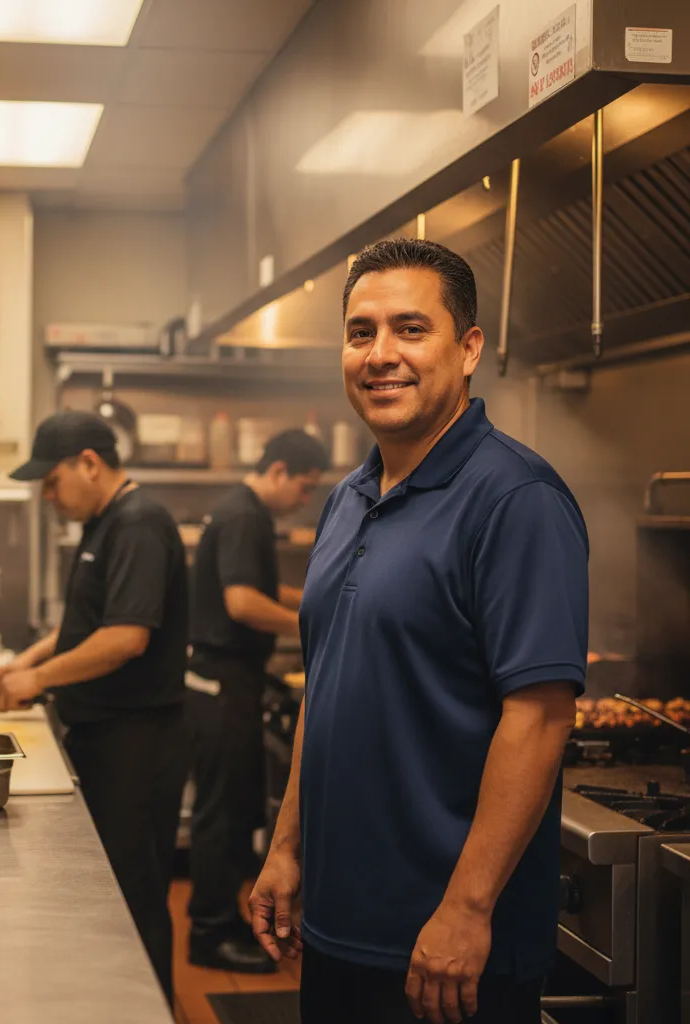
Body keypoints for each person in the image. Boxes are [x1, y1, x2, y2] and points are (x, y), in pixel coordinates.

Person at [249, 238, 588, 1024]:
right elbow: (325, 683)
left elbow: (539, 719)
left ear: (468, 349)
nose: (380, 355)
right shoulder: (347, 498)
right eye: (361, 332)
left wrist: (467, 909)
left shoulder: (516, 499)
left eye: (410, 329)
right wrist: (288, 846)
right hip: (338, 927)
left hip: (445, 950)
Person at [0, 410, 188, 1007]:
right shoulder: (105, 523)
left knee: (134, 897)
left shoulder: (140, 523)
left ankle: (150, 1009)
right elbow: (85, 627)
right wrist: (26, 662)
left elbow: (126, 637)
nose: (48, 496)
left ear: (90, 464)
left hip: (139, 742)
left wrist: (38, 680)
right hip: (108, 736)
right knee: (110, 895)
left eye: (52, 482)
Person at [186, 429, 329, 974]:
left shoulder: (239, 509)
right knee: (221, 816)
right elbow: (244, 603)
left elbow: (262, 589)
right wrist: (316, 626)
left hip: (225, 682)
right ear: (277, 471)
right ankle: (209, 936)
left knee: (233, 807)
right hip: (223, 684)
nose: (303, 501)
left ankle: (220, 924)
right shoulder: (245, 516)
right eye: (303, 488)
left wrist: (323, 600)